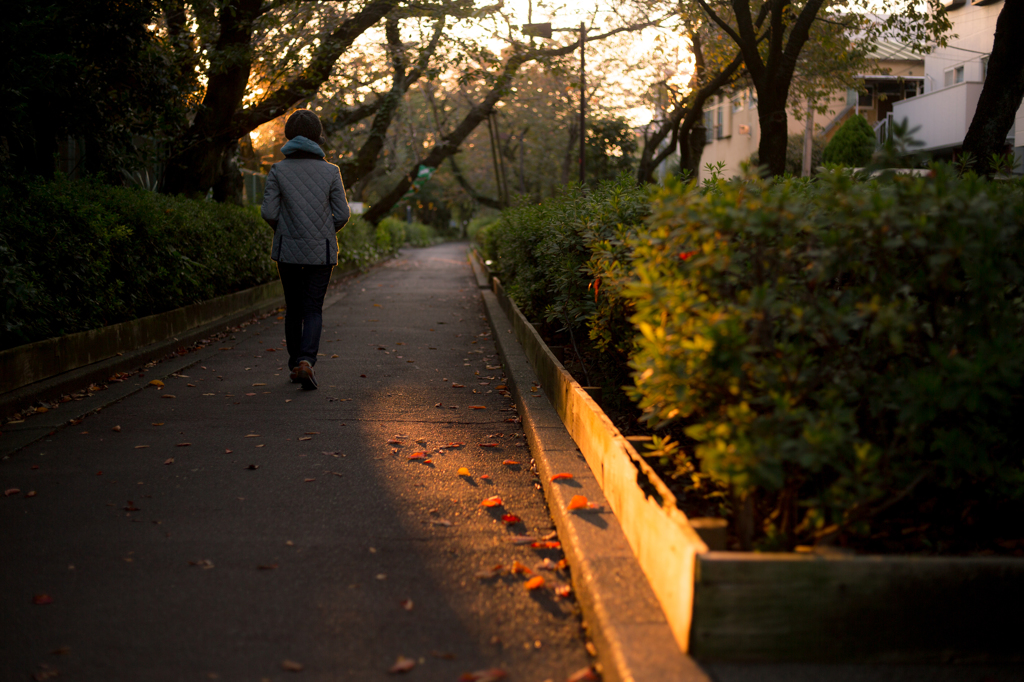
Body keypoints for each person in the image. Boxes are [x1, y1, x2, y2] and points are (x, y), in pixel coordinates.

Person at [260, 109, 350, 390]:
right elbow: (343, 214)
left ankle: (293, 365)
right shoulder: (331, 171)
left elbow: (268, 211)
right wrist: (323, 232)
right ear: (317, 135)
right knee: (313, 308)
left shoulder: (278, 169)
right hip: (320, 252)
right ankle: (306, 362)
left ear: (289, 135)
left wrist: (285, 230)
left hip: (288, 250)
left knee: (294, 308)